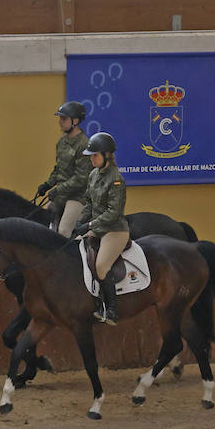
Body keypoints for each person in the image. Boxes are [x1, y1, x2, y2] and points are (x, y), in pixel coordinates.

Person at [73, 131, 128, 325]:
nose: (92, 159)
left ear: (107, 155)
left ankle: (112, 310)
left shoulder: (116, 179)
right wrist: (78, 224)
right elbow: (89, 203)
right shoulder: (93, 175)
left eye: (95, 155)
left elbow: (113, 213)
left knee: (101, 267)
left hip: (115, 230)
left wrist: (88, 225)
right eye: (91, 156)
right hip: (96, 227)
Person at [34, 101, 89, 237]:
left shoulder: (84, 144)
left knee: (64, 231)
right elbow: (58, 168)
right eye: (60, 118)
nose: (60, 122)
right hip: (61, 194)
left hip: (78, 196)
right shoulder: (62, 142)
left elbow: (81, 179)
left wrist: (58, 189)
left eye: (63, 119)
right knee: (43, 223)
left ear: (75, 121)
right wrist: (48, 184)